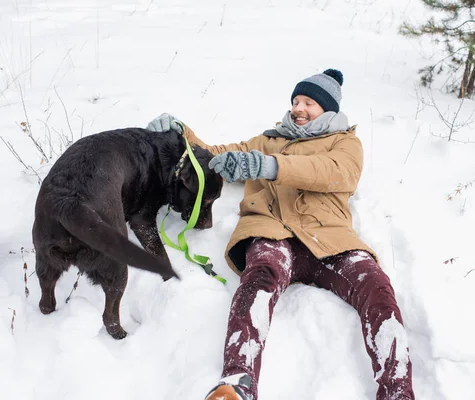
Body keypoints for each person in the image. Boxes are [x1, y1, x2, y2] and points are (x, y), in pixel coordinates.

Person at [146, 69, 415, 400]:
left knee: (375, 285)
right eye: (296, 101)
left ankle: (397, 391)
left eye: (309, 103)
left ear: (328, 110)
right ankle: (237, 383)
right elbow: (213, 154)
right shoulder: (269, 140)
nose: (299, 108)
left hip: (329, 239)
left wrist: (269, 167)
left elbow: (337, 174)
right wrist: (179, 133)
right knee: (259, 280)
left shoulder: (345, 142)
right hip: (271, 232)